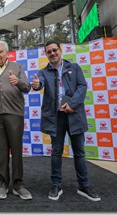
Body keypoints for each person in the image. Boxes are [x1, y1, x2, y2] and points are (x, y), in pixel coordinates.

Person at [31, 41, 101, 201]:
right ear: (46, 55)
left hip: (74, 115)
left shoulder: (74, 67)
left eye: (55, 50)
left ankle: (84, 186)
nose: (52, 53)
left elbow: (82, 87)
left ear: (60, 51)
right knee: (56, 152)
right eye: (49, 52)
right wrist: (36, 85)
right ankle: (56, 185)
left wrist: (72, 104)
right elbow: (39, 84)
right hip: (56, 118)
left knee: (79, 152)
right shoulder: (43, 72)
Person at [0, 40, 32, 200]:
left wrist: (18, 82)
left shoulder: (17, 68)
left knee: (16, 151)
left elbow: (27, 87)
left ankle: (18, 184)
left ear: (7, 53)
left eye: (0, 52)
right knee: (1, 151)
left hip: (15, 115)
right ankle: (2, 184)